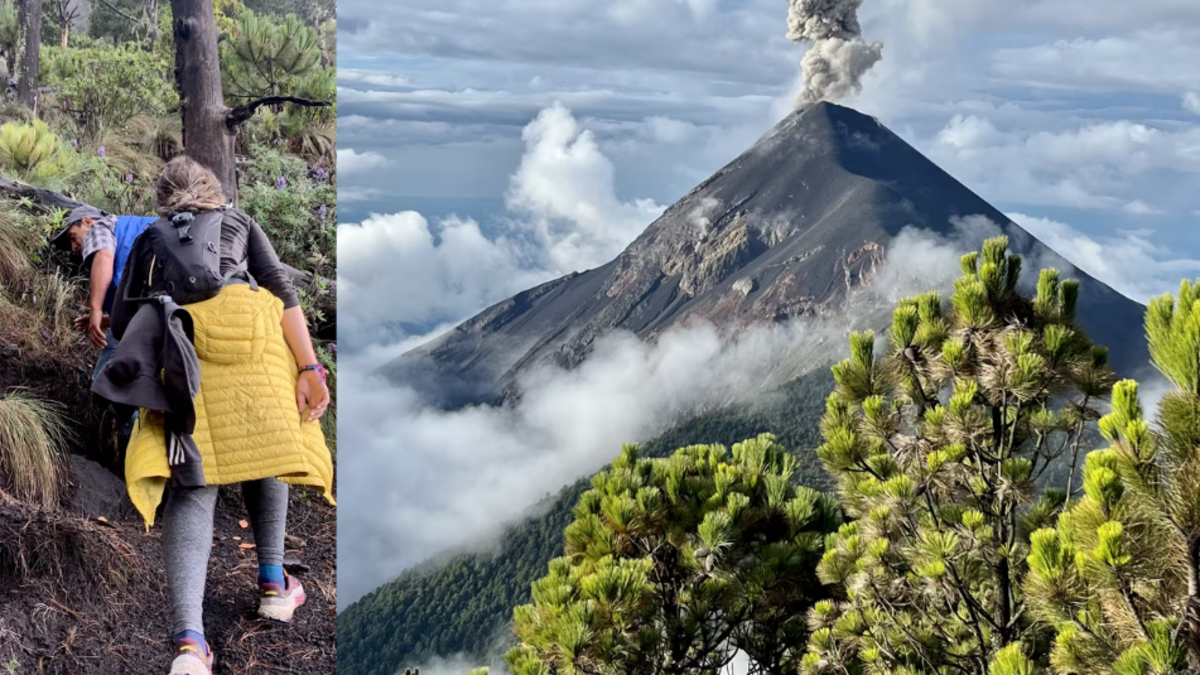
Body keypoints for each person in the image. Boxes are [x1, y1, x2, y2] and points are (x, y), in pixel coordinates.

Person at [96, 157, 334, 675]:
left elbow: (121, 317)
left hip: (185, 357)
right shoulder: (241, 222)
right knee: (265, 454)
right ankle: (274, 584)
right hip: (258, 345)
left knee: (193, 487)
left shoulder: (150, 239)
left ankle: (190, 644)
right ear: (215, 192)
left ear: (163, 198)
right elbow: (282, 290)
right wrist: (310, 366)